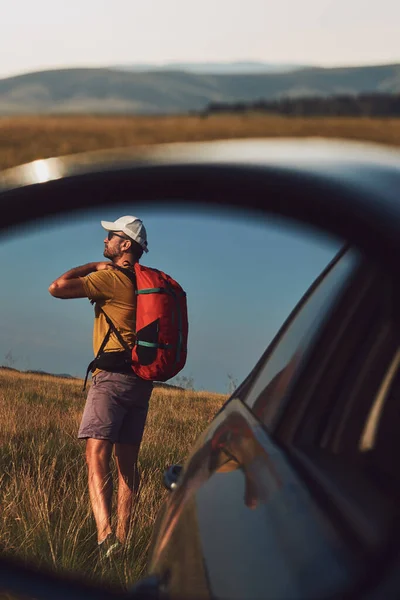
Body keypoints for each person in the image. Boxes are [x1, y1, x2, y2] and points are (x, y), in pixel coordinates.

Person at [48, 215, 153, 560]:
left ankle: (105, 536)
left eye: (111, 236)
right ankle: (123, 538)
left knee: (96, 453)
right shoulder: (147, 284)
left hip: (110, 379)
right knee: (128, 463)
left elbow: (57, 286)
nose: (105, 241)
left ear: (126, 245)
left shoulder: (108, 278)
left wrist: (93, 265)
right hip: (142, 382)